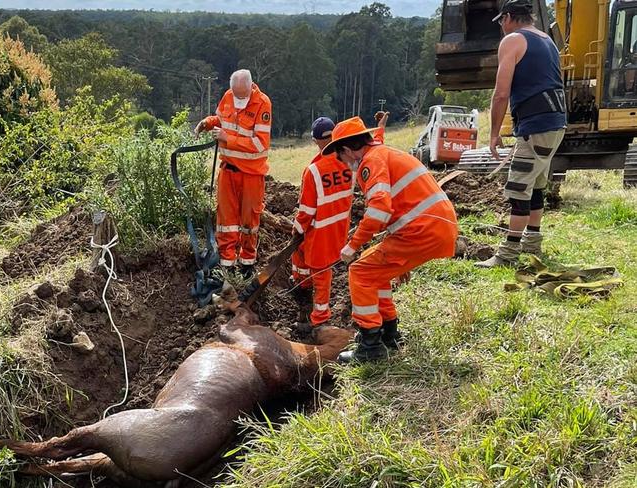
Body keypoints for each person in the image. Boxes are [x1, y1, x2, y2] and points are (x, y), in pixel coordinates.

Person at [321, 116, 458, 363]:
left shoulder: (370, 162)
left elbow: (378, 211)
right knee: (374, 269)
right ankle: (389, 332)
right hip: (436, 226)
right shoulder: (384, 154)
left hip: (422, 230)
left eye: (339, 157)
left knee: (360, 272)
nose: (342, 163)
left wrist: (352, 246)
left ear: (347, 150)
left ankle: (370, 346)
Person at [476, 0, 566, 268]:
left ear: (508, 18)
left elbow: (501, 92)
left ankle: (508, 254)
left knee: (518, 187)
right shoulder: (546, 39)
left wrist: (493, 134)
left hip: (536, 124)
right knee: (536, 183)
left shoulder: (513, 41)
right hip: (555, 122)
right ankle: (532, 241)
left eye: (501, 22)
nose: (501, 28)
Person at [290, 112, 388, 336]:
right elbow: (376, 146)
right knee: (310, 263)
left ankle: (319, 319)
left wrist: (297, 229)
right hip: (340, 229)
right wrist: (380, 128)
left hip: (319, 232)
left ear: (315, 141)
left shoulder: (313, 170)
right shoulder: (351, 160)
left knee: (321, 274)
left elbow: (306, 211)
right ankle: (302, 284)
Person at [195, 69, 272, 277]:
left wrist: (228, 138)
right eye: (236, 94)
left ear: (250, 87)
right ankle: (227, 265)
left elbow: (259, 144)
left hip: (251, 175)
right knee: (226, 220)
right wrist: (208, 123)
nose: (238, 99)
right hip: (228, 171)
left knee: (249, 221)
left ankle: (247, 263)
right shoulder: (228, 97)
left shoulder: (262, 104)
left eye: (242, 95)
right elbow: (221, 119)